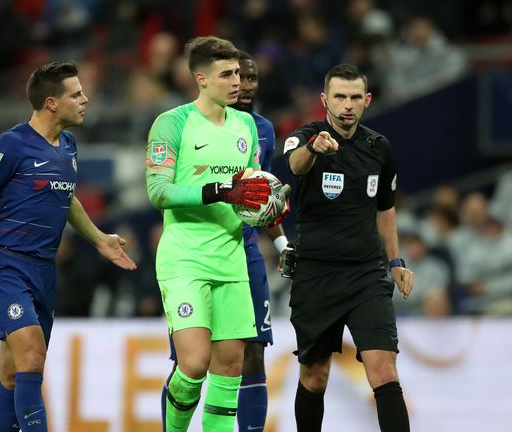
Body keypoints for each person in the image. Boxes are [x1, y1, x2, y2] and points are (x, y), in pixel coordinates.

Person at [0, 62, 136, 432]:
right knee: (32, 358)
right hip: (6, 265)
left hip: (43, 270)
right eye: (76, 94)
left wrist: (99, 239)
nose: (85, 100)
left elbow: (66, 197)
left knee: (12, 376)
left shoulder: (68, 145)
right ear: (51, 103)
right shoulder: (10, 145)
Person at [145, 36, 275, 432]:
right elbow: (158, 191)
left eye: (238, 72)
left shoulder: (248, 126)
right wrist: (218, 191)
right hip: (185, 259)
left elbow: (250, 190)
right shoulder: (172, 123)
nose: (237, 81)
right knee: (194, 364)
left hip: (232, 258)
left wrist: (267, 206)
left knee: (230, 370)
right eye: (226, 74)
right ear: (201, 79)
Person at [282, 63, 414, 432]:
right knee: (315, 375)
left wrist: (396, 261)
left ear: (367, 100)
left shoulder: (379, 148)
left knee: (384, 370)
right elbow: (294, 164)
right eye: (339, 96)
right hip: (315, 275)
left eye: (355, 97)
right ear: (324, 99)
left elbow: (385, 209)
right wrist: (313, 148)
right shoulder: (306, 138)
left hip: (365, 275)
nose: (347, 105)